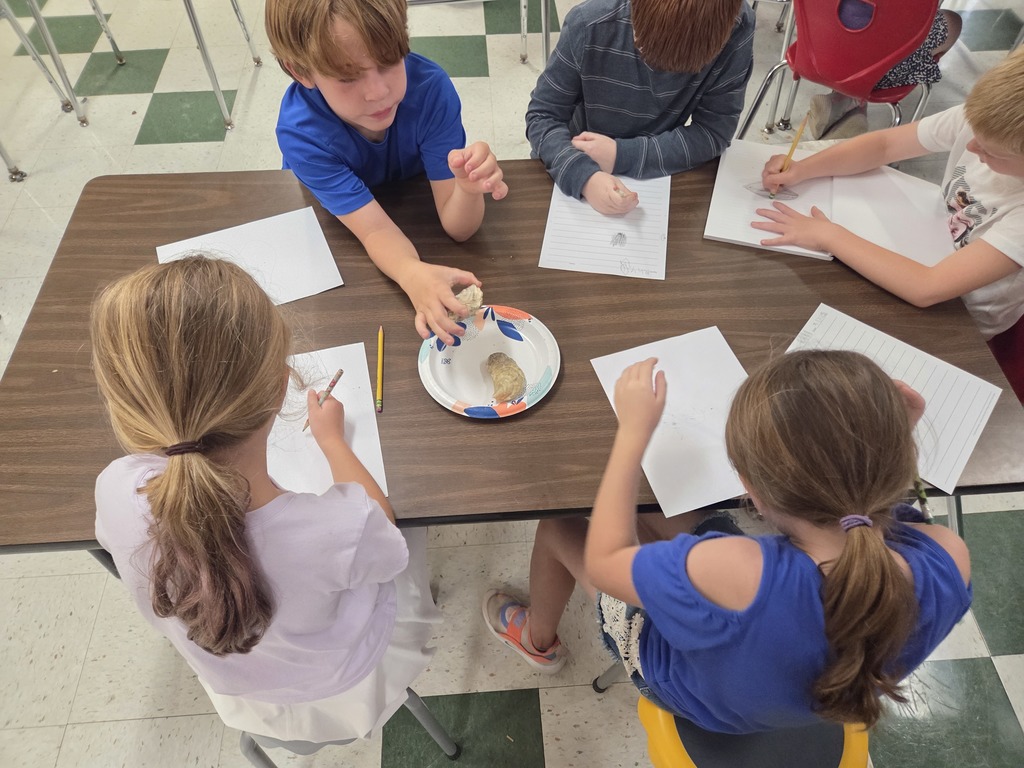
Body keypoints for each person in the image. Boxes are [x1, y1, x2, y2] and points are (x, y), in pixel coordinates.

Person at [485, 352, 971, 732]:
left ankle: (537, 640)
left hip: (692, 693)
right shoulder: (951, 556)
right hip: (791, 700)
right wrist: (894, 438)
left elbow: (607, 561)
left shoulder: (738, 572)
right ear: (898, 465)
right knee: (670, 515)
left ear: (751, 493)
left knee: (559, 525)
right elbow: (892, 518)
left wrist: (633, 431)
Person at [91, 255, 441, 743]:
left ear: (130, 407)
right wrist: (333, 442)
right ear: (282, 390)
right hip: (353, 679)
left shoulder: (115, 488)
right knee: (414, 534)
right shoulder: (340, 529)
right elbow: (381, 526)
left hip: (239, 695)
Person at [753, 48, 1024, 403]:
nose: (971, 146)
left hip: (961, 317)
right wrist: (805, 168)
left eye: (990, 152)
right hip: (918, 253)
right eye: (973, 134)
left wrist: (828, 234)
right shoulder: (987, 120)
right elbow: (883, 145)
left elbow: (929, 287)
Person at [266, 0, 508, 347]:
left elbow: (460, 229)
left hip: (406, 195)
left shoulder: (430, 91)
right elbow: (374, 230)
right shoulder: (302, 135)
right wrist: (412, 274)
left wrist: (468, 189)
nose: (379, 92)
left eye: (389, 62)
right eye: (348, 77)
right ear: (300, 71)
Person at [526, 0, 754, 215]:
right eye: (643, 48)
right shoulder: (590, 23)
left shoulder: (737, 25)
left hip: (659, 177)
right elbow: (543, 115)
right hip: (577, 159)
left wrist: (622, 155)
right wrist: (583, 176)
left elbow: (713, 132)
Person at [806, 6, 963, 140]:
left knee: (857, 18)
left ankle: (845, 100)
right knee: (952, 21)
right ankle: (852, 100)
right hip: (881, 67)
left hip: (817, 51)